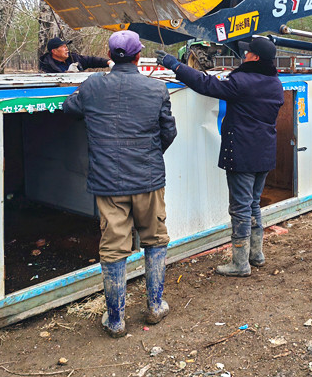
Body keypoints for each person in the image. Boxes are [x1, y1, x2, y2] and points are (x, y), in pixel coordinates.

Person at [63, 30, 177, 337]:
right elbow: (169, 132)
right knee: (155, 240)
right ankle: (155, 306)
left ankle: (115, 321)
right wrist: (148, 157)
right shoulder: (157, 88)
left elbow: (69, 108)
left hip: (108, 182)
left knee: (113, 249)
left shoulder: (92, 86)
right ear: (139, 56)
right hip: (148, 179)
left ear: (109, 56)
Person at [156, 36, 284, 277]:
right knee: (253, 204)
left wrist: (175, 65)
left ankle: (240, 264)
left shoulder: (242, 81)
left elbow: (205, 84)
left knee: (240, 208)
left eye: (248, 53)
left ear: (255, 57)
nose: (244, 55)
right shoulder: (275, 83)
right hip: (265, 152)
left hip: (243, 154)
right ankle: (256, 254)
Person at [39, 37, 111, 73]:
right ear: (54, 51)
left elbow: (91, 60)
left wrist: (108, 62)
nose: (67, 49)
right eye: (63, 47)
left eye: (66, 46)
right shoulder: (46, 67)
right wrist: (68, 74)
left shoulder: (73, 58)